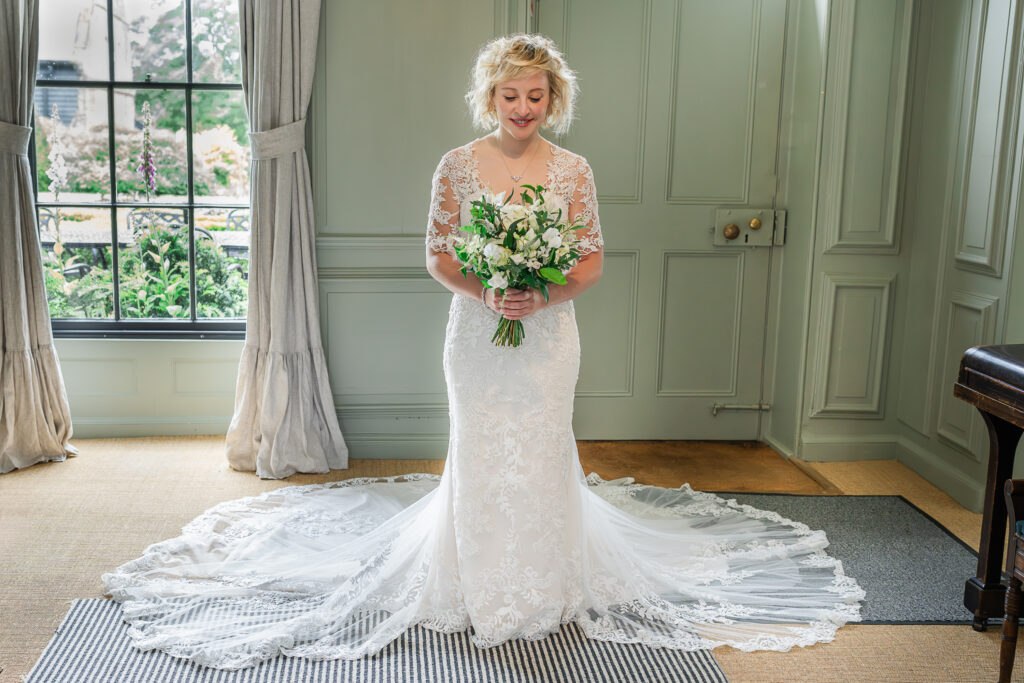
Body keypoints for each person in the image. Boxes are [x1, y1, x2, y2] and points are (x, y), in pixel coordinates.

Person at [102, 34, 863, 670]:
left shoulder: (573, 172)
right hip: (476, 331)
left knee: (538, 445)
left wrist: (543, 294)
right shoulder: (458, 165)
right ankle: (471, 579)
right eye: (510, 97)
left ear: (552, 99)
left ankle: (544, 580)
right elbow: (437, 253)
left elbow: (591, 258)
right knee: (481, 445)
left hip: (548, 334)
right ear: (490, 97)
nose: (523, 109)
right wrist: (489, 292)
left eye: (536, 97)